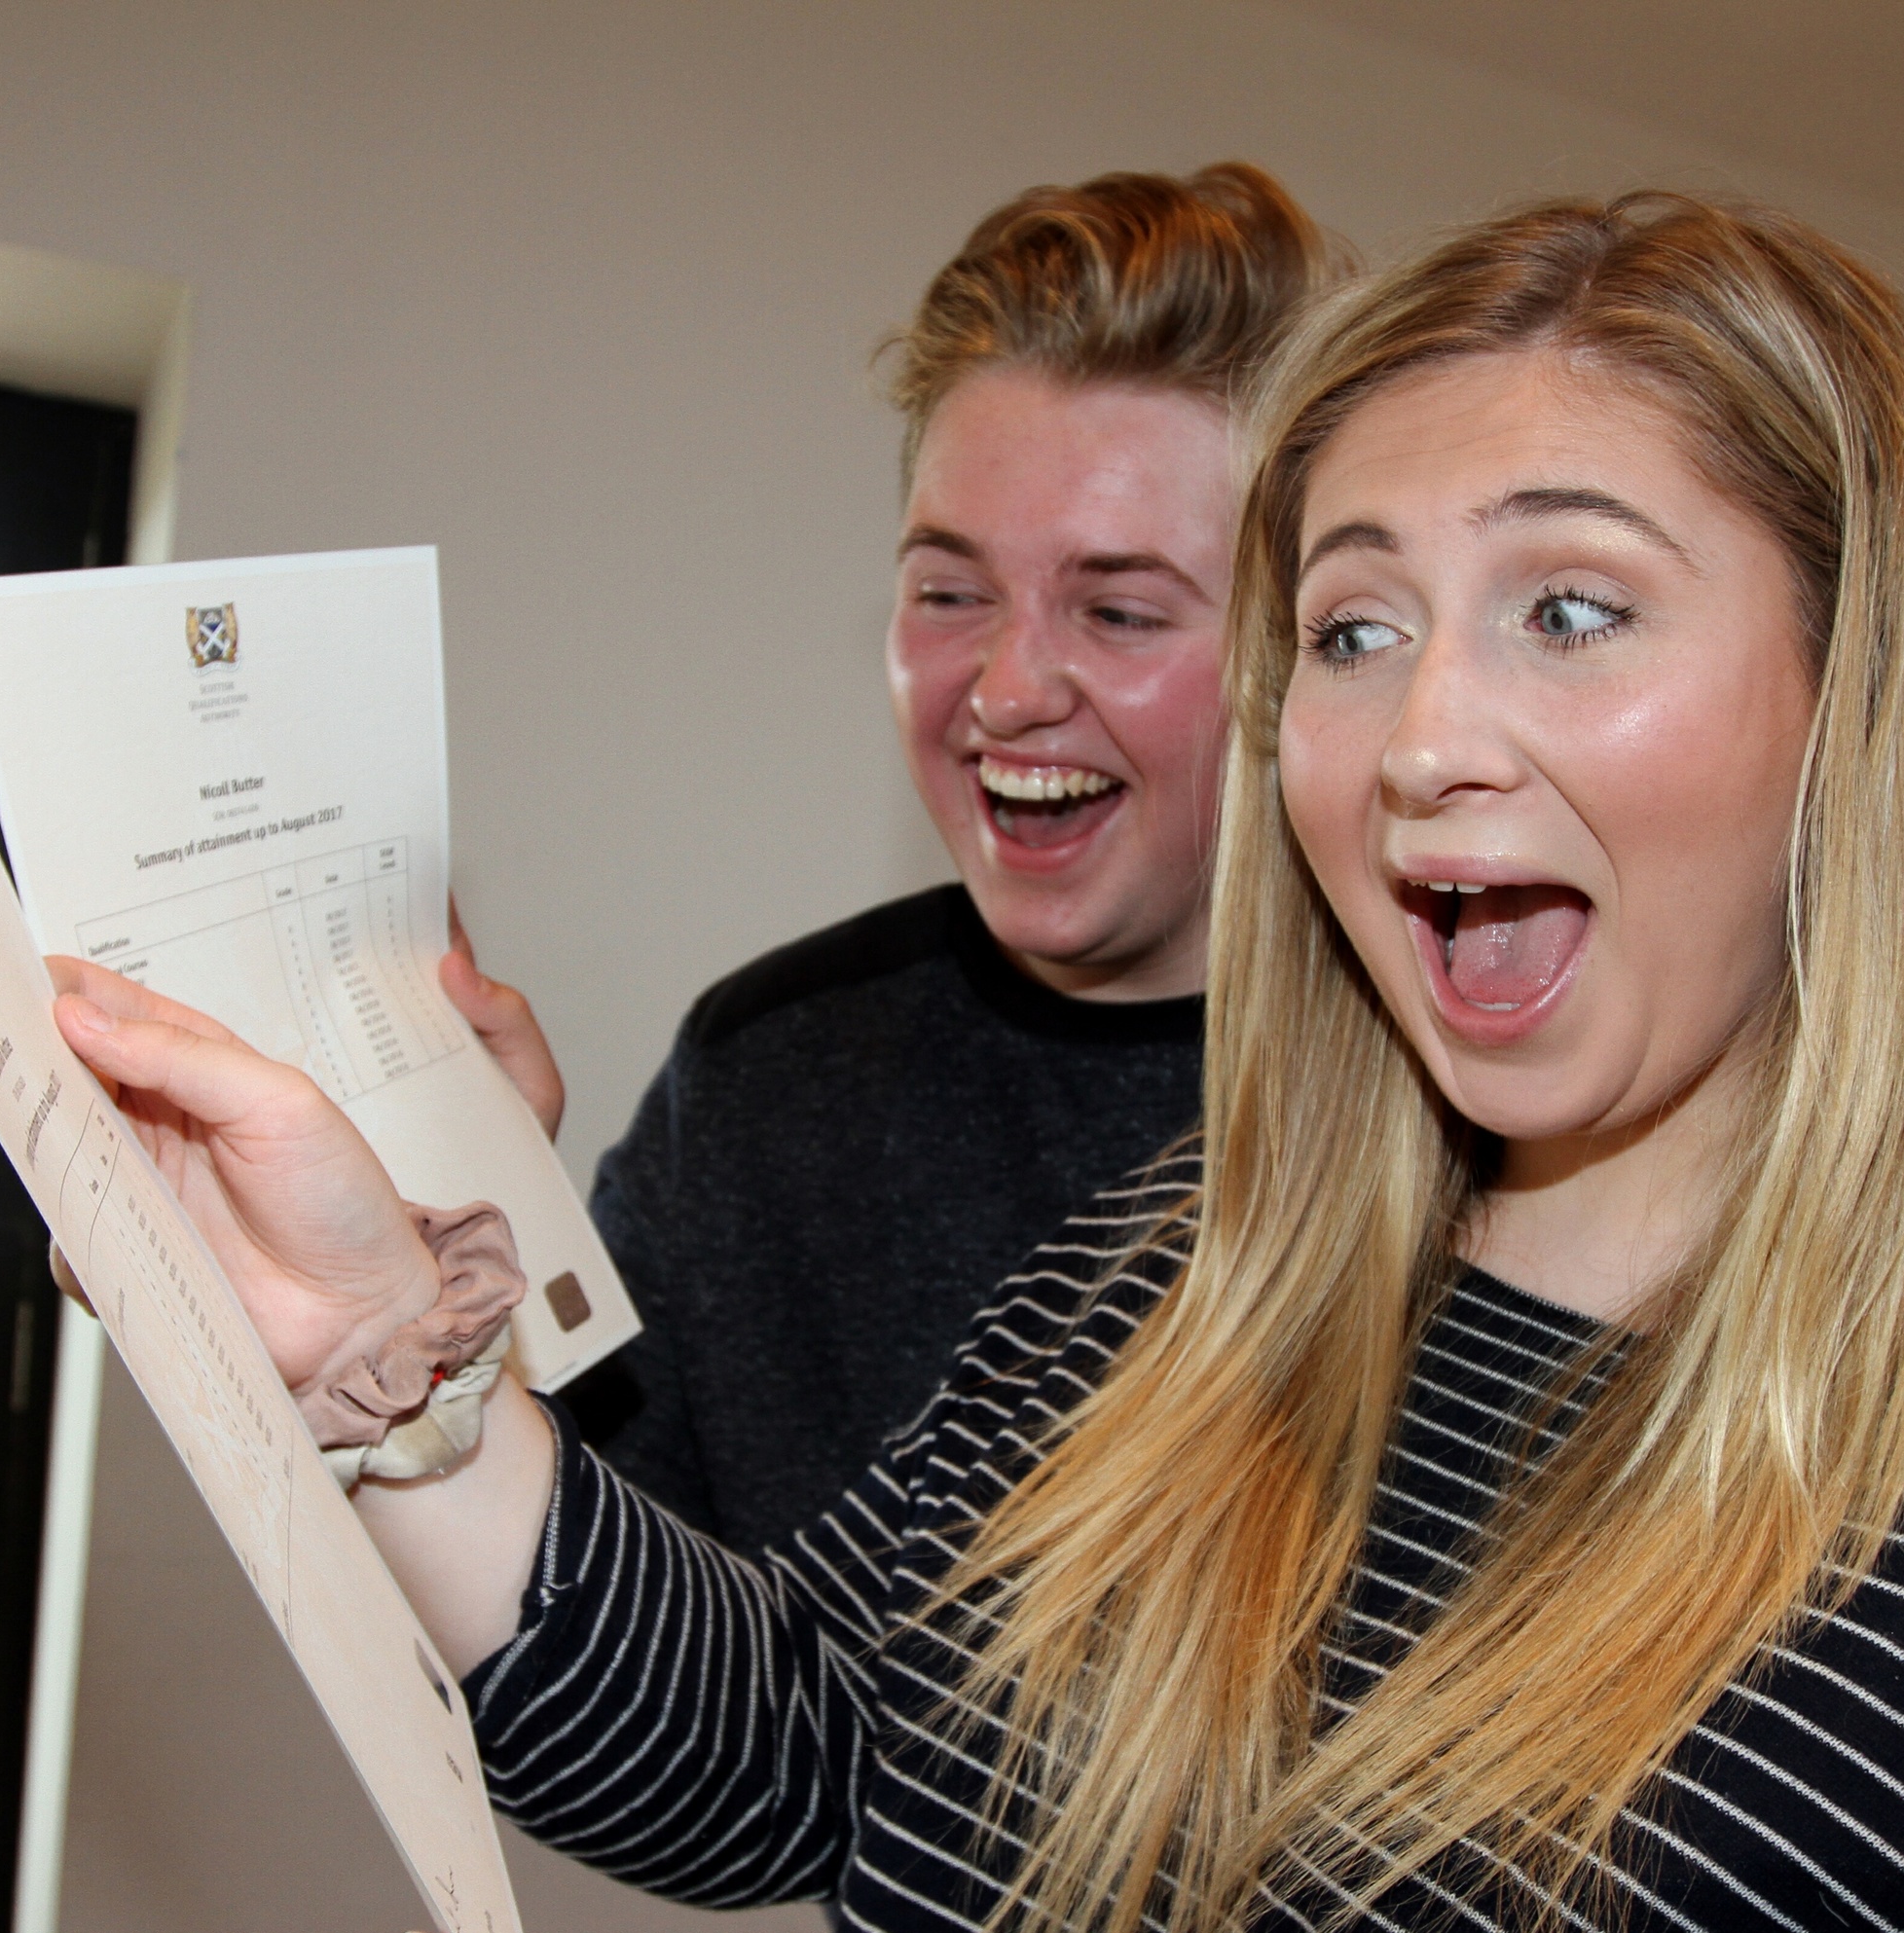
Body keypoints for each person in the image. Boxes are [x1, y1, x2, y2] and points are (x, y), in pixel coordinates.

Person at [55, 190, 1904, 1933]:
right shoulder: (1198, 1256)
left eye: (1570, 607)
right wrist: (389, 1340)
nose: (1421, 740)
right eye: (1353, 627)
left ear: (1856, 703)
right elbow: (783, 1750)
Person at [439, 164, 1339, 1556]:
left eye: (1118, 608)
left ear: (1303, 646)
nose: (1005, 688)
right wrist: (437, 1321)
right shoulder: (759, 1078)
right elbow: (573, 1679)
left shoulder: (1465, 1110)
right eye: (949, 593)